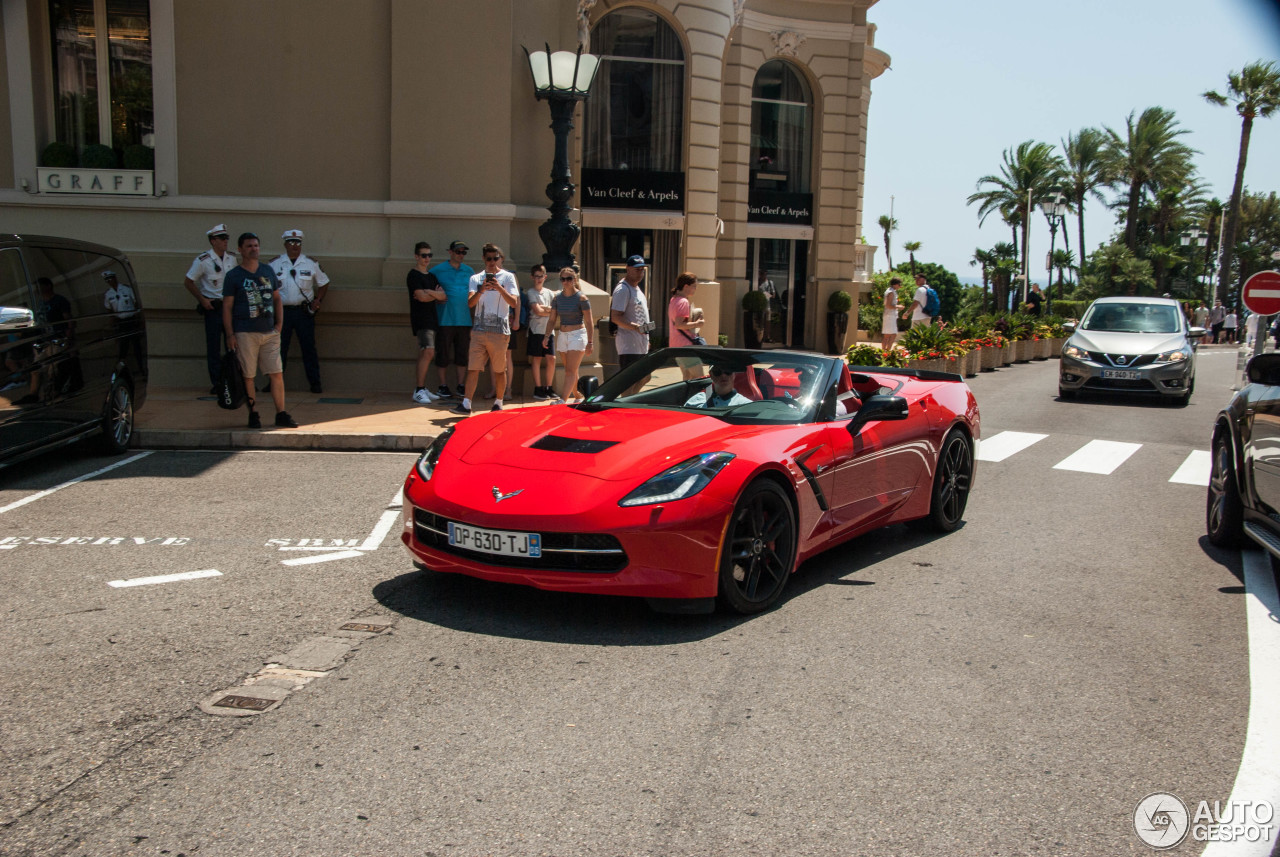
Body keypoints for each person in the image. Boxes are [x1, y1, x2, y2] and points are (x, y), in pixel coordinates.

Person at [222, 232, 296, 429]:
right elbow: (227, 307)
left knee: (277, 373)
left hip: (269, 331)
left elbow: (277, 298)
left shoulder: (267, 271)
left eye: (256, 245)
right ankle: (253, 414)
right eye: (249, 246)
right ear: (240, 250)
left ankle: (281, 412)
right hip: (245, 332)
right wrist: (230, 334)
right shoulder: (233, 276)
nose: (254, 249)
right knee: (248, 375)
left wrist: (279, 325)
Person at [451, 243, 519, 416]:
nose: (492, 262)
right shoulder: (475, 278)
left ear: (499, 258)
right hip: (479, 331)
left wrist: (498, 287)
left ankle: (499, 402)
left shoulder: (508, 277)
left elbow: (514, 303)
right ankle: (466, 404)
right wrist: (481, 289)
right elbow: (470, 303)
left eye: (495, 258)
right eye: (488, 259)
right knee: (473, 368)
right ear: (483, 259)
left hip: (500, 331)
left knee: (499, 369)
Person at [268, 229, 330, 394]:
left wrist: (318, 301)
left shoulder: (310, 263)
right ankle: (273, 383)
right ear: (285, 244)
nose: (295, 246)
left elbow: (324, 282)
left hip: (303, 313)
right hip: (282, 313)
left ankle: (315, 383)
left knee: (309, 348)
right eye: (291, 243)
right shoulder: (274, 264)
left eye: (298, 243)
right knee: (279, 349)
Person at [183, 224, 237, 395]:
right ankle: (217, 382)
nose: (225, 241)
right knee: (213, 347)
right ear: (213, 241)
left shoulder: (232, 258)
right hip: (213, 307)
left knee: (233, 344)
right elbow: (188, 281)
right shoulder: (203, 260)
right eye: (222, 239)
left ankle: (234, 378)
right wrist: (202, 300)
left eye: (226, 238)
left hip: (230, 307)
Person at [430, 240, 474, 399]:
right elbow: (429, 288)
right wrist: (435, 297)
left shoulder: (469, 271)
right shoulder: (437, 270)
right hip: (445, 319)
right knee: (442, 353)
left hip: (464, 319)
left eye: (463, 252)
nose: (460, 255)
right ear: (450, 252)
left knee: (462, 354)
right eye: (458, 252)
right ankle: (442, 385)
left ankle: (461, 385)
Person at [543, 267, 594, 404]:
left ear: (574, 280)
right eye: (563, 279)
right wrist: (546, 336)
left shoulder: (581, 298)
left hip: (577, 335)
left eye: (569, 279)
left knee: (570, 371)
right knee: (571, 370)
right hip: (563, 335)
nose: (565, 282)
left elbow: (589, 322)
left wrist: (590, 342)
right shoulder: (557, 298)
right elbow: (552, 320)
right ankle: (578, 395)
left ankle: (563, 400)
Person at [407, 241, 445, 404]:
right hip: (421, 319)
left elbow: (443, 296)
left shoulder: (431, 277)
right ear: (416, 256)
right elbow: (420, 297)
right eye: (423, 255)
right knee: (428, 352)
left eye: (429, 255)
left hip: (432, 318)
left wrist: (429, 292)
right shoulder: (413, 275)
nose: (427, 258)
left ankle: (422, 388)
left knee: (427, 353)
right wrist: (433, 295)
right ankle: (419, 389)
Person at [610, 254, 652, 372]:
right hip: (629, 346)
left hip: (640, 344)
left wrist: (646, 339)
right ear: (628, 269)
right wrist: (636, 327)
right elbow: (616, 317)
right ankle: (628, 392)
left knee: (645, 376)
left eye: (641, 270)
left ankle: (631, 392)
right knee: (631, 381)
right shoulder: (623, 289)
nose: (640, 272)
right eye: (636, 269)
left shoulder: (637, 289)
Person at [524, 264, 557, 400]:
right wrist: (547, 310)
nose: (539, 279)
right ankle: (538, 388)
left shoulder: (550, 293)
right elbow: (537, 310)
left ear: (545, 277)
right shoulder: (531, 292)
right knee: (537, 358)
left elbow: (555, 311)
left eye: (541, 276)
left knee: (551, 358)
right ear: (532, 277)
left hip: (549, 330)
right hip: (536, 329)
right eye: (536, 276)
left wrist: (546, 309)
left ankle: (548, 387)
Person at [668, 272, 704, 381]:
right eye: (694, 286)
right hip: (686, 346)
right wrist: (698, 324)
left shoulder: (674, 300)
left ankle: (685, 398)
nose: (695, 289)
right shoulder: (683, 301)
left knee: (687, 378)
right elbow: (679, 325)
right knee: (700, 378)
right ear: (686, 286)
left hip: (676, 345)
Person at [684, 364, 751, 408]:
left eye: (728, 371)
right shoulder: (698, 400)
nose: (723, 375)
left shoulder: (745, 405)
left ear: (734, 374)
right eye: (717, 372)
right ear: (711, 375)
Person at [881, 278, 901, 350]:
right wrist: (899, 306)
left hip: (890, 315)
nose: (900, 286)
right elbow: (888, 305)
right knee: (889, 335)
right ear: (895, 284)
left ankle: (886, 351)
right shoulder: (891, 292)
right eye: (899, 284)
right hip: (889, 316)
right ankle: (886, 351)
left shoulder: (890, 291)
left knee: (891, 335)